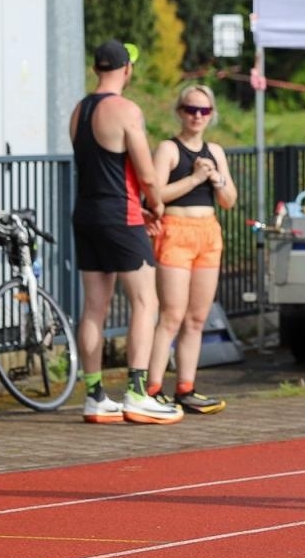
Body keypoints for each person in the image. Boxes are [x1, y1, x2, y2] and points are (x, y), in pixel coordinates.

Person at [71, 40, 180, 425]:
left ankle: (94, 395)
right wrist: (157, 204)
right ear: (126, 69)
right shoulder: (125, 110)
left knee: (93, 308)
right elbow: (147, 172)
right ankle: (136, 392)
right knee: (145, 302)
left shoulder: (80, 111)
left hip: (85, 213)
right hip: (121, 213)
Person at [145, 84, 236, 414]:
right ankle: (152, 388)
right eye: (191, 109)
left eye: (204, 111)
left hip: (208, 233)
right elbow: (155, 196)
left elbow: (229, 201)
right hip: (176, 231)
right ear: (179, 111)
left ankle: (186, 386)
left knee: (197, 318)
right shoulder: (168, 149)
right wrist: (196, 179)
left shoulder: (216, 151)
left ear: (211, 115)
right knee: (171, 315)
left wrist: (217, 180)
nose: (197, 116)